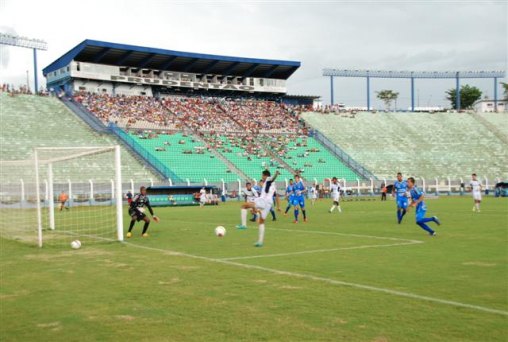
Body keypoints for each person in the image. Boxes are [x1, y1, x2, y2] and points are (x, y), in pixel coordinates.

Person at [236, 170, 281, 247]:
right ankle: (260, 242)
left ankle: (244, 225)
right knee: (261, 221)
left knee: (243, 206)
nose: (261, 177)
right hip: (269, 204)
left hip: (263, 201)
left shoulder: (268, 179)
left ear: (265, 176)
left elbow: (272, 178)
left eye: (262, 175)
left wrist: (276, 174)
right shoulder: (273, 186)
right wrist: (278, 206)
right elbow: (276, 196)